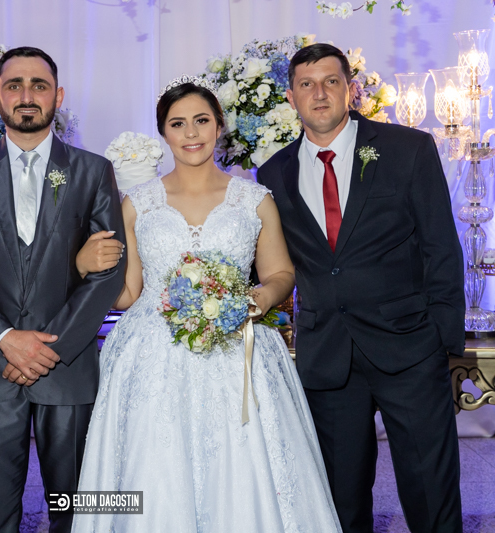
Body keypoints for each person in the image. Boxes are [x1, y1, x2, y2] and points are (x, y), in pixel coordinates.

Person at [71, 78, 340, 532]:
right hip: (153, 357)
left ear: (219, 127)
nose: (191, 133)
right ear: (164, 132)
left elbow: (281, 273)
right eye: (178, 124)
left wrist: (259, 297)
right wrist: (81, 266)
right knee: (153, 466)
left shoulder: (254, 199)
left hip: (238, 346)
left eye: (201, 121)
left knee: (244, 463)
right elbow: (129, 293)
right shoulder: (138, 203)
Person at [256, 43, 465, 533]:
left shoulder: (407, 148)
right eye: (306, 84)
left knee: (431, 496)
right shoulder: (273, 173)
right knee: (339, 502)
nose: (319, 93)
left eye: (331, 81)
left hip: (410, 349)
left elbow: (440, 245)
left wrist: (441, 340)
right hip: (327, 356)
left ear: (350, 89)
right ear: (290, 97)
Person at [0, 47, 126, 533]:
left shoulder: (92, 170)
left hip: (68, 367)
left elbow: (109, 269)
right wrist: (6, 340)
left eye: (39, 85)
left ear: (58, 96)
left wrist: (48, 348)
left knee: (73, 510)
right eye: (14, 85)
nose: (26, 95)